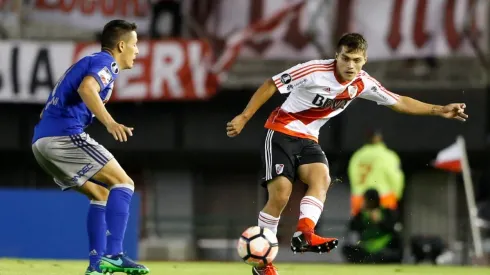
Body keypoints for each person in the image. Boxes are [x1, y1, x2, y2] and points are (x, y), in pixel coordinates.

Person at [226, 33, 468, 275]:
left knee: (322, 178)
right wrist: (244, 117)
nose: (350, 65)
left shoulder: (363, 82)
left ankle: (305, 233)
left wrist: (439, 109)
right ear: (336, 56)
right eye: (345, 58)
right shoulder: (313, 70)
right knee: (280, 195)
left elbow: (399, 102)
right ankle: (262, 265)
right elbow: (271, 84)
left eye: (356, 60)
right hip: (280, 132)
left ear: (364, 60)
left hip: (309, 139)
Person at [31, 20, 149, 275]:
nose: (137, 51)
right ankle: (114, 254)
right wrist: (110, 122)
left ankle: (96, 266)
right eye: (135, 44)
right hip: (63, 137)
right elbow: (87, 88)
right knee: (124, 183)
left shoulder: (90, 61)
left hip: (41, 143)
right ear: (121, 45)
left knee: (101, 194)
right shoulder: (107, 63)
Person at [348, 130, 404, 216]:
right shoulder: (388, 155)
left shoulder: (357, 156)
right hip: (384, 198)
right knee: (384, 227)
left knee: (362, 227)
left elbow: (352, 177)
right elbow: (395, 177)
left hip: (360, 199)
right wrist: (396, 196)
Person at [342, 189, 403, 264]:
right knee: (347, 248)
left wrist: (379, 221)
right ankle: (369, 259)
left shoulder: (386, 211)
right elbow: (353, 228)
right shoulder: (361, 213)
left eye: (366, 200)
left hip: (383, 247)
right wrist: (358, 213)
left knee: (393, 250)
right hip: (366, 247)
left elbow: (392, 229)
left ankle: (372, 260)